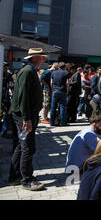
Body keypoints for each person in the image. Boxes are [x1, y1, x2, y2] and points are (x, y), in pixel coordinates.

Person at [8, 48, 47, 191]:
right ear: (36, 58)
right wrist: (26, 118)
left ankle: (15, 176)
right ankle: (26, 179)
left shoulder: (30, 71)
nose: (44, 60)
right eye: (42, 57)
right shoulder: (28, 71)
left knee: (21, 146)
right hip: (25, 116)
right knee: (27, 148)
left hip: (27, 115)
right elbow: (23, 96)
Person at [49, 62, 70, 126]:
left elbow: (51, 82)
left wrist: (52, 89)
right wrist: (67, 91)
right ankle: (62, 122)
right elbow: (67, 83)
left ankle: (51, 122)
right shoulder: (66, 73)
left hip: (55, 90)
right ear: (64, 67)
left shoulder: (53, 72)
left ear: (58, 66)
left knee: (53, 107)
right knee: (63, 107)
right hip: (62, 91)